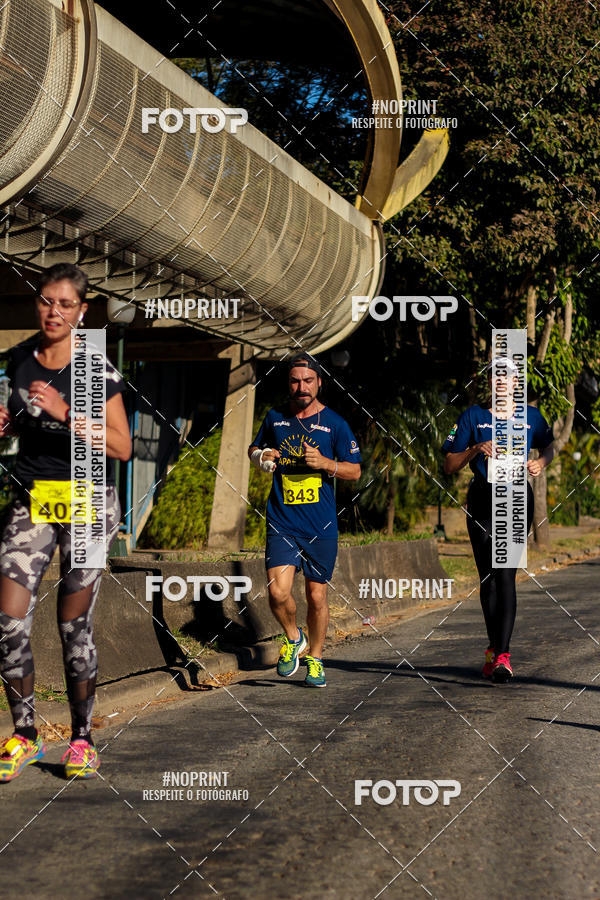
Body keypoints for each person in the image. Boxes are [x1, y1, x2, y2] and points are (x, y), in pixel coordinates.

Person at [0, 263, 131, 781]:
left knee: (72, 625)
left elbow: (120, 445)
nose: (53, 312)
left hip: (89, 504)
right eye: (45, 302)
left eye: (64, 304)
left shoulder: (95, 369)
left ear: (82, 311)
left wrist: (63, 412)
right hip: (33, 500)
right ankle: (25, 734)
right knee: (7, 619)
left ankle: (81, 737)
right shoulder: (18, 360)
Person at [248, 352, 361, 687]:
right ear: (289, 383)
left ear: (319, 383)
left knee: (316, 596)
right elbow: (256, 450)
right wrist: (263, 458)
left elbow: (354, 470)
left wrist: (326, 463)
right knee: (277, 591)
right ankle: (292, 636)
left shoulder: (336, 424)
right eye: (295, 381)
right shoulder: (275, 418)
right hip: (283, 520)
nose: (301, 387)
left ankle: (316, 658)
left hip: (320, 525)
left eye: (308, 381)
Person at [442, 357, 554, 682]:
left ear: (517, 384)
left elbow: (549, 446)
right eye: (496, 376)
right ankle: (494, 648)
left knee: (506, 575)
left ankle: (502, 656)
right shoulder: (473, 416)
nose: (502, 381)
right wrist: (475, 448)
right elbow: (449, 464)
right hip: (481, 499)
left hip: (516, 498)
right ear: (489, 382)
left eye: (508, 377)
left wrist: (540, 463)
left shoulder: (531, 417)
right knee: (487, 578)